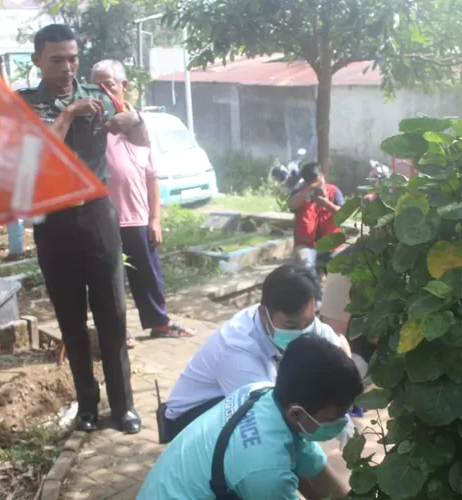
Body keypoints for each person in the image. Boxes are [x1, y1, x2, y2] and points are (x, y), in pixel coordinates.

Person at [18, 24, 146, 434]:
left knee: (112, 313)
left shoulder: (97, 95)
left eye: (73, 58)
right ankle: (87, 406)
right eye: (56, 59)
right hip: (53, 221)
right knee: (72, 320)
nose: (67, 67)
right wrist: (70, 113)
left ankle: (123, 406)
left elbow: (141, 140)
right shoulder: (25, 103)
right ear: (37, 60)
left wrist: (133, 118)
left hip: (97, 214)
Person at [139, 334, 362, 499]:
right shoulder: (266, 471)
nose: (341, 423)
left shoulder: (262, 392)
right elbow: (277, 478)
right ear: (297, 413)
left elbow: (318, 477)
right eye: (335, 416)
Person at [160, 263, 352, 443]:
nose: (302, 332)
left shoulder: (303, 321)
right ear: (263, 313)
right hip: (194, 418)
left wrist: (341, 410)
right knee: (267, 435)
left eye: (307, 324)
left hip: (239, 397)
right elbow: (268, 417)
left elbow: (338, 356)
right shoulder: (236, 348)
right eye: (290, 325)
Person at [91, 59, 195, 348]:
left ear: (123, 87)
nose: (102, 91)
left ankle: (159, 322)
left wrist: (155, 219)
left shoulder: (139, 126)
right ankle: (118, 329)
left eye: (108, 85)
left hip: (137, 216)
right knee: (110, 279)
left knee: (148, 274)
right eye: (95, 86)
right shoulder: (90, 126)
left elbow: (152, 176)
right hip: (104, 218)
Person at [287, 162, 345, 307]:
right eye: (310, 180)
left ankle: (341, 302)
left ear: (322, 176)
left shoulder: (334, 191)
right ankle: (319, 301)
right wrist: (310, 189)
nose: (315, 183)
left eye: (316, 179)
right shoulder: (301, 192)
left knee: (345, 262)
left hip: (332, 244)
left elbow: (344, 215)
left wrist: (326, 204)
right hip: (307, 245)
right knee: (306, 265)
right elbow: (291, 205)